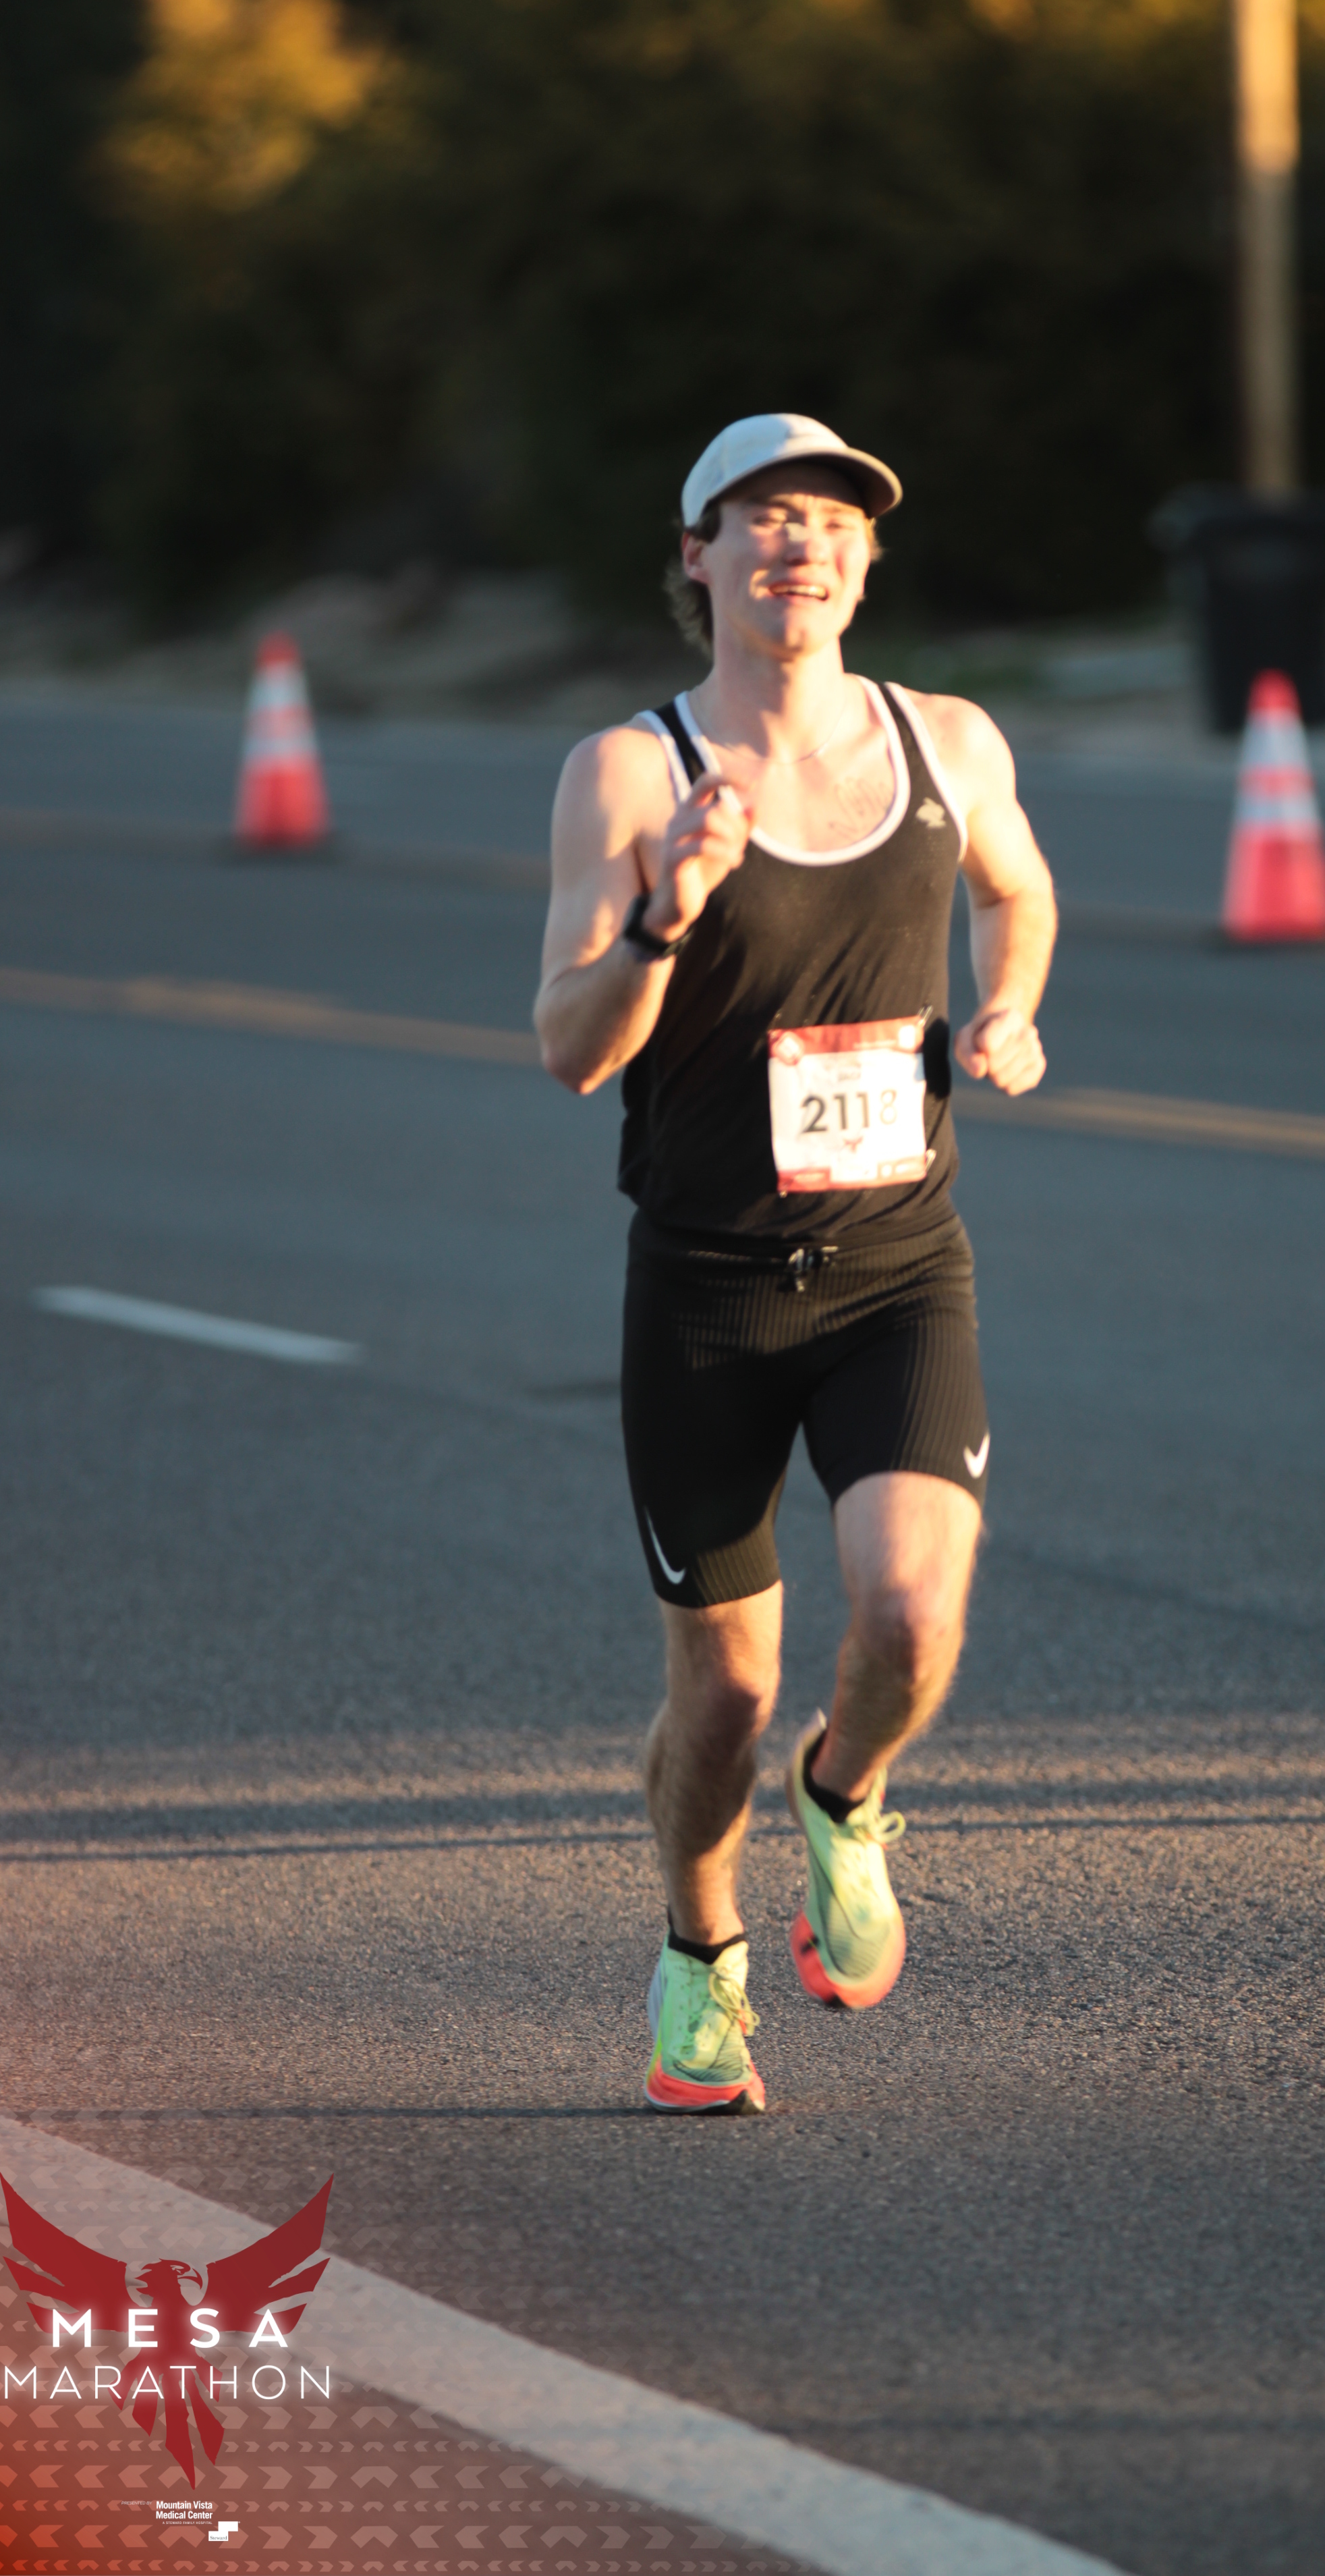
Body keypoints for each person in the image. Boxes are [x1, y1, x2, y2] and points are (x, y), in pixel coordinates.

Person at [535, 412, 1056, 2113]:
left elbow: (1018, 893)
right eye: (760, 517)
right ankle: (700, 1950)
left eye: (831, 520)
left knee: (907, 1612)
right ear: (695, 557)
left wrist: (1007, 1007)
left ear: (866, 560)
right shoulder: (630, 774)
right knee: (725, 1692)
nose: (799, 544)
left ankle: (846, 1795)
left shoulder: (945, 739)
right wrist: (662, 915)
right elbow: (570, 1048)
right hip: (707, 1290)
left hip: (897, 1266)